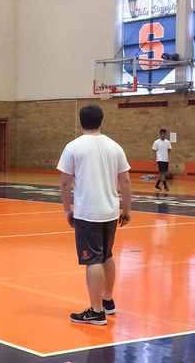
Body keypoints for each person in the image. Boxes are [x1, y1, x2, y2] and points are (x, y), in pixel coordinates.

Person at [57, 104, 132, 325]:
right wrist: (126, 209)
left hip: (88, 212)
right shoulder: (115, 147)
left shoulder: (73, 147)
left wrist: (67, 209)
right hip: (109, 212)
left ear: (81, 122)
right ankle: (108, 301)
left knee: (93, 261)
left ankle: (96, 311)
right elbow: (125, 181)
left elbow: (64, 183)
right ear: (101, 121)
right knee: (107, 255)